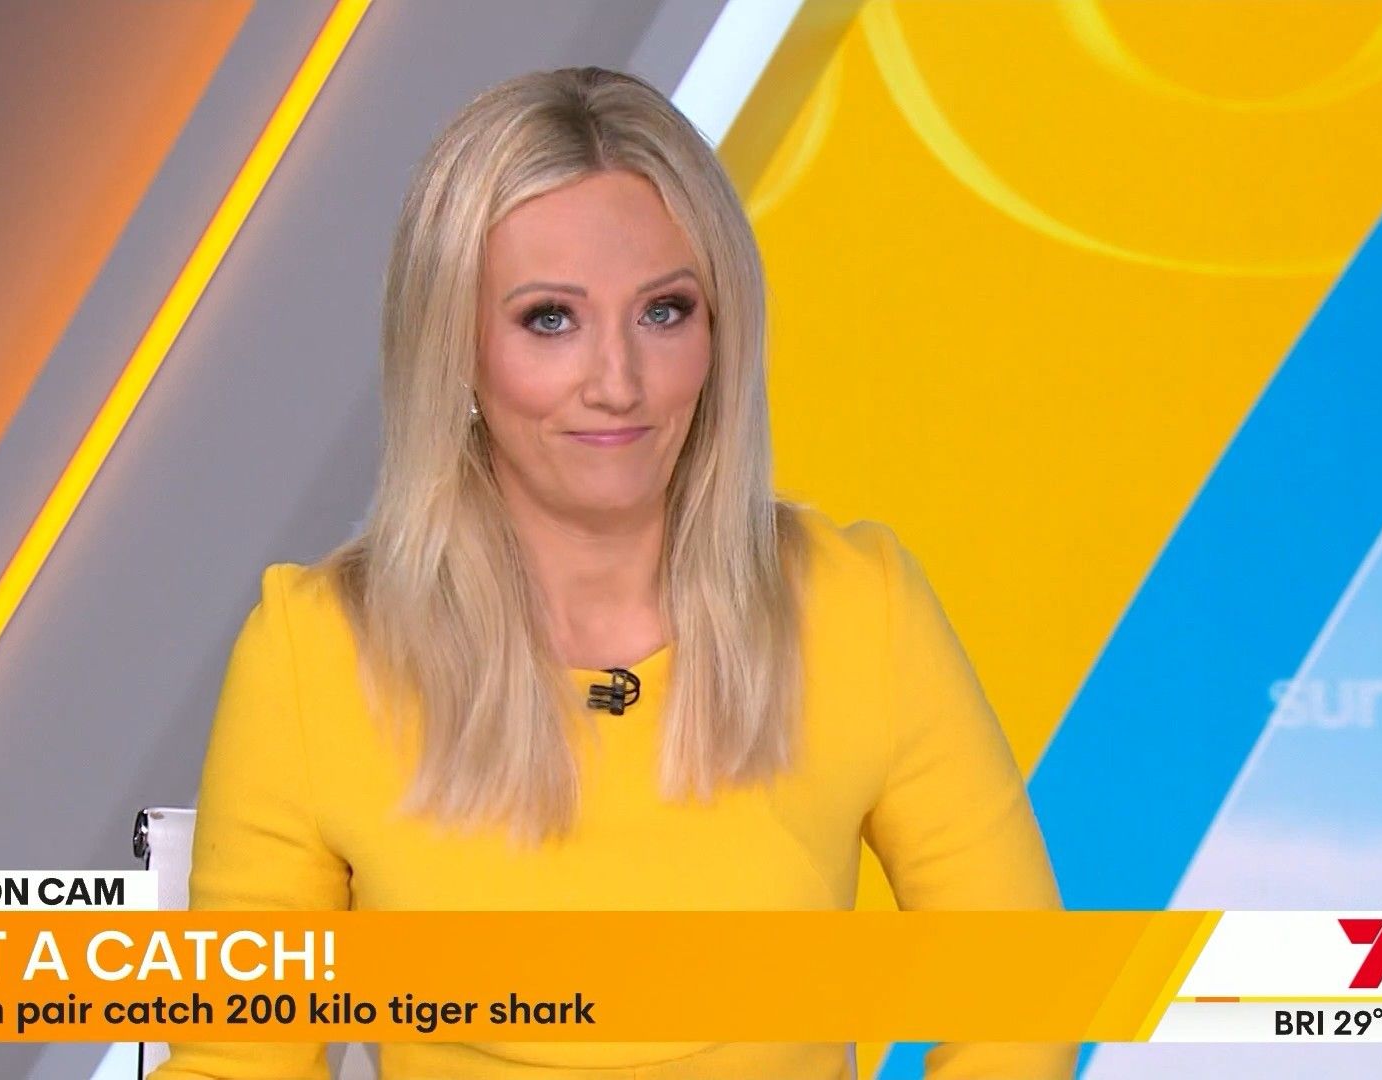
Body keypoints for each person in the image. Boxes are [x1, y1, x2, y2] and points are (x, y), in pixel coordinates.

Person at [152, 65, 1072, 1080]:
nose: (618, 383)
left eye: (663, 312)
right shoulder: (315, 652)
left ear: (721, 333)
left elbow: (1018, 1000)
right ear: (454, 347)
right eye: (550, 319)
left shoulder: (857, 608)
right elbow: (235, 1058)